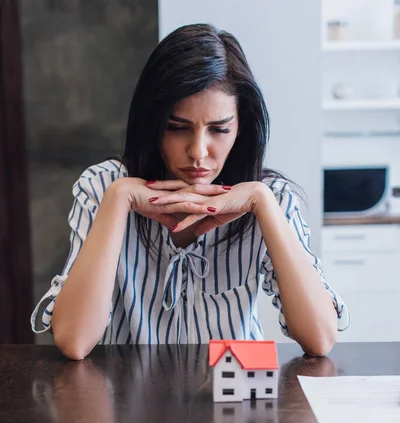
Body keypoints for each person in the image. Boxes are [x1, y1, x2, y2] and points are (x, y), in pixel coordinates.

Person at [31, 23, 349, 360]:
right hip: (130, 403)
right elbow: (74, 340)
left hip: (236, 403)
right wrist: (118, 199)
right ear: (152, 123)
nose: (198, 151)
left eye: (219, 129)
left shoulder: (272, 196)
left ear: (240, 127)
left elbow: (320, 337)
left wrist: (263, 204)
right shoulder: (103, 187)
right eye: (178, 128)